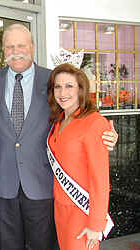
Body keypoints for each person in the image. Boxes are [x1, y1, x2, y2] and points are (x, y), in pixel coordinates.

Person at [0, 23, 118, 250]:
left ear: (33, 47)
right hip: (2, 184)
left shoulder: (52, 80)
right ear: (3, 50)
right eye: (9, 46)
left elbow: (80, 109)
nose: (15, 51)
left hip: (42, 184)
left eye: (21, 45)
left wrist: (108, 132)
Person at [47, 63, 111, 249]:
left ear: (81, 89)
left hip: (83, 209)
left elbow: (100, 179)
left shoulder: (95, 123)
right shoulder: (59, 121)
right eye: (57, 86)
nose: (62, 92)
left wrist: (96, 224)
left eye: (69, 86)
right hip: (60, 207)